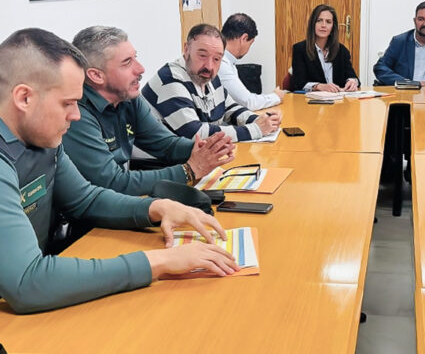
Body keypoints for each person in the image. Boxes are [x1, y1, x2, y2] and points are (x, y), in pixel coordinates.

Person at [0, 29, 238, 314]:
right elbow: (28, 282)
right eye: (67, 103)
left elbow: (86, 199)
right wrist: (158, 262)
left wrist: (156, 208)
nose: (76, 115)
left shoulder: (42, 136)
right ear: (24, 98)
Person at [61, 26, 234, 196]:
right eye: (127, 63)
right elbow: (113, 182)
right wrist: (189, 170)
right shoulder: (77, 114)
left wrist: (206, 149)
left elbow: (166, 145)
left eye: (135, 58)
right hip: (96, 216)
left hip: (126, 201)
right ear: (96, 75)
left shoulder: (129, 98)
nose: (141, 69)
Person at [142, 24, 281, 142]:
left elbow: (230, 108)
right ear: (186, 49)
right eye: (202, 55)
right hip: (155, 166)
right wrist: (256, 129)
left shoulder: (208, 76)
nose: (209, 65)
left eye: (216, 59)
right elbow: (196, 134)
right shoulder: (171, 79)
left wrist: (262, 120)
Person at [220, 13, 285, 110]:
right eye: (250, 43)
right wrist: (276, 96)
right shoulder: (221, 63)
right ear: (244, 38)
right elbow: (248, 102)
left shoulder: (228, 61)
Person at [290, 4, 360, 92]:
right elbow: (298, 83)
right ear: (313, 24)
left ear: (333, 27)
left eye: (328, 22)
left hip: (339, 102)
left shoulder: (342, 50)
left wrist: (352, 81)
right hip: (312, 103)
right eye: (319, 20)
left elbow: (353, 77)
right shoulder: (300, 49)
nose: (323, 25)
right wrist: (319, 86)